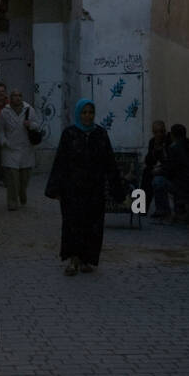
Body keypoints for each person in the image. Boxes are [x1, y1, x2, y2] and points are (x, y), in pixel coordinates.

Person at [45, 99, 125, 275]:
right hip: (72, 190)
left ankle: (86, 259)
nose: (87, 116)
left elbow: (109, 163)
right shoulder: (70, 134)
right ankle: (73, 259)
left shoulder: (100, 134)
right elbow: (61, 162)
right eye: (84, 112)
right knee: (73, 224)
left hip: (94, 189)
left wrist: (116, 189)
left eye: (90, 112)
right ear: (78, 114)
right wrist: (55, 189)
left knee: (93, 224)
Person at [0, 89, 39, 210]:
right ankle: (12, 202)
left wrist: (30, 124)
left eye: (19, 95)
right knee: (12, 179)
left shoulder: (29, 109)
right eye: (15, 95)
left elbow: (37, 125)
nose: (17, 98)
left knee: (24, 179)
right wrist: (4, 141)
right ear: (10, 98)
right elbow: (0, 130)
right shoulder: (5, 112)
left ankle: (22, 193)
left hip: (26, 149)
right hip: (10, 149)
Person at [142, 119, 172, 218]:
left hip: (169, 171)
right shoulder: (152, 142)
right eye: (156, 132)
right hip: (159, 169)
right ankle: (142, 207)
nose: (159, 134)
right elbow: (148, 161)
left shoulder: (170, 141)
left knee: (155, 178)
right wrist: (154, 150)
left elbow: (171, 162)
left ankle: (161, 210)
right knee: (146, 173)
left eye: (161, 131)